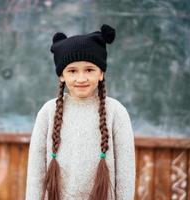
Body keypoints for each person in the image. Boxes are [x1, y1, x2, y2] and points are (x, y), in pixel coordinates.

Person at [25, 24, 135, 200]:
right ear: (62, 75)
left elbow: (125, 175)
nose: (81, 78)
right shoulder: (48, 112)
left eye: (89, 70)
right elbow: (35, 174)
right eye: (72, 71)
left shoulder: (116, 112)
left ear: (101, 73)